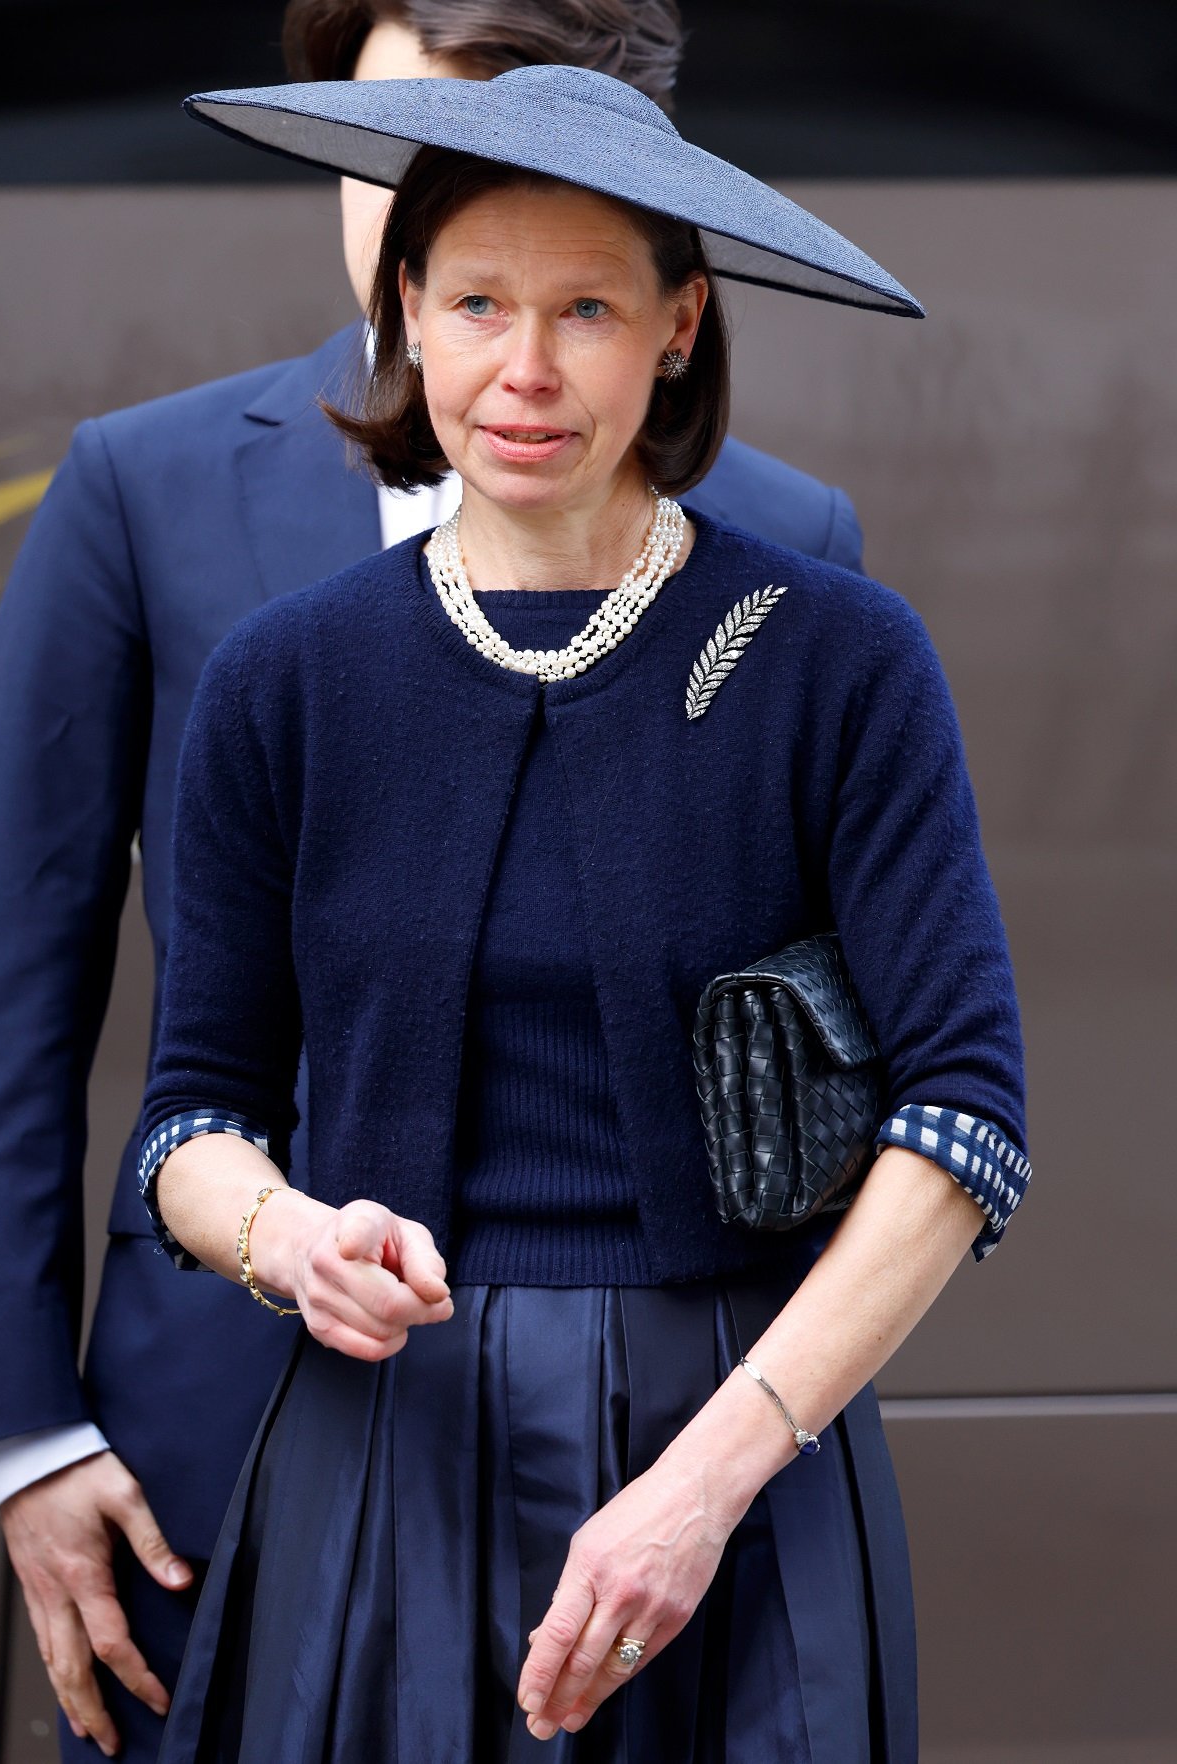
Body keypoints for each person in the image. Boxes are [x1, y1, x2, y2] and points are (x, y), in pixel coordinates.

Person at [0, 5, 867, 1761]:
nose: (405, 200)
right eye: (378, 141)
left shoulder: (797, 561)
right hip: (206, 1457)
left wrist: (727, 1445)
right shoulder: (141, 491)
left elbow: (848, 1053)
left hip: (644, 1478)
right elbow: (14, 997)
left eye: (485, 146)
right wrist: (25, 1436)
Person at [138, 66, 1030, 1763]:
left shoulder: (836, 660)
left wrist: (704, 1480)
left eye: (589, 310)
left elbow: (966, 1117)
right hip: (379, 1451)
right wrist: (287, 1239)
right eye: (476, 301)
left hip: (744, 1458)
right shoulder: (288, 683)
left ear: (680, 329)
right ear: (406, 311)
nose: (524, 370)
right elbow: (191, 1116)